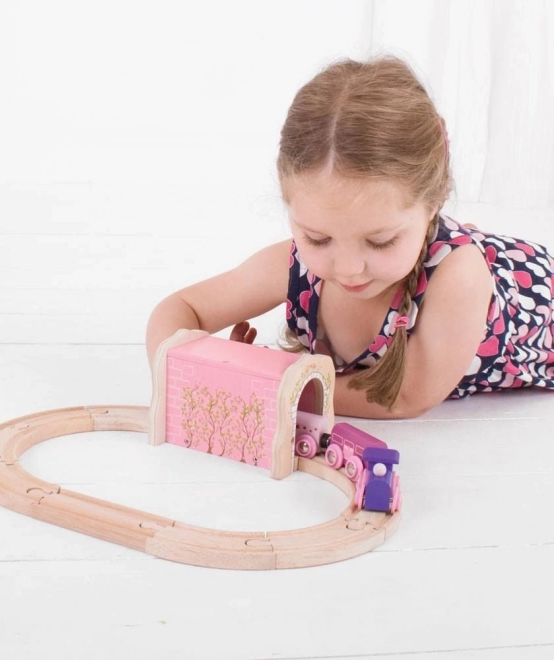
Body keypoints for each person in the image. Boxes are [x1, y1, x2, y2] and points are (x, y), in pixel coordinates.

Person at [145, 55, 554, 419]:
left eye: (379, 242)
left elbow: (404, 397)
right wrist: (188, 366)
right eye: (318, 239)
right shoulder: (294, 268)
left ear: (432, 204)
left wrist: (266, 381)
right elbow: (183, 308)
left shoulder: (459, 276)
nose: (347, 267)